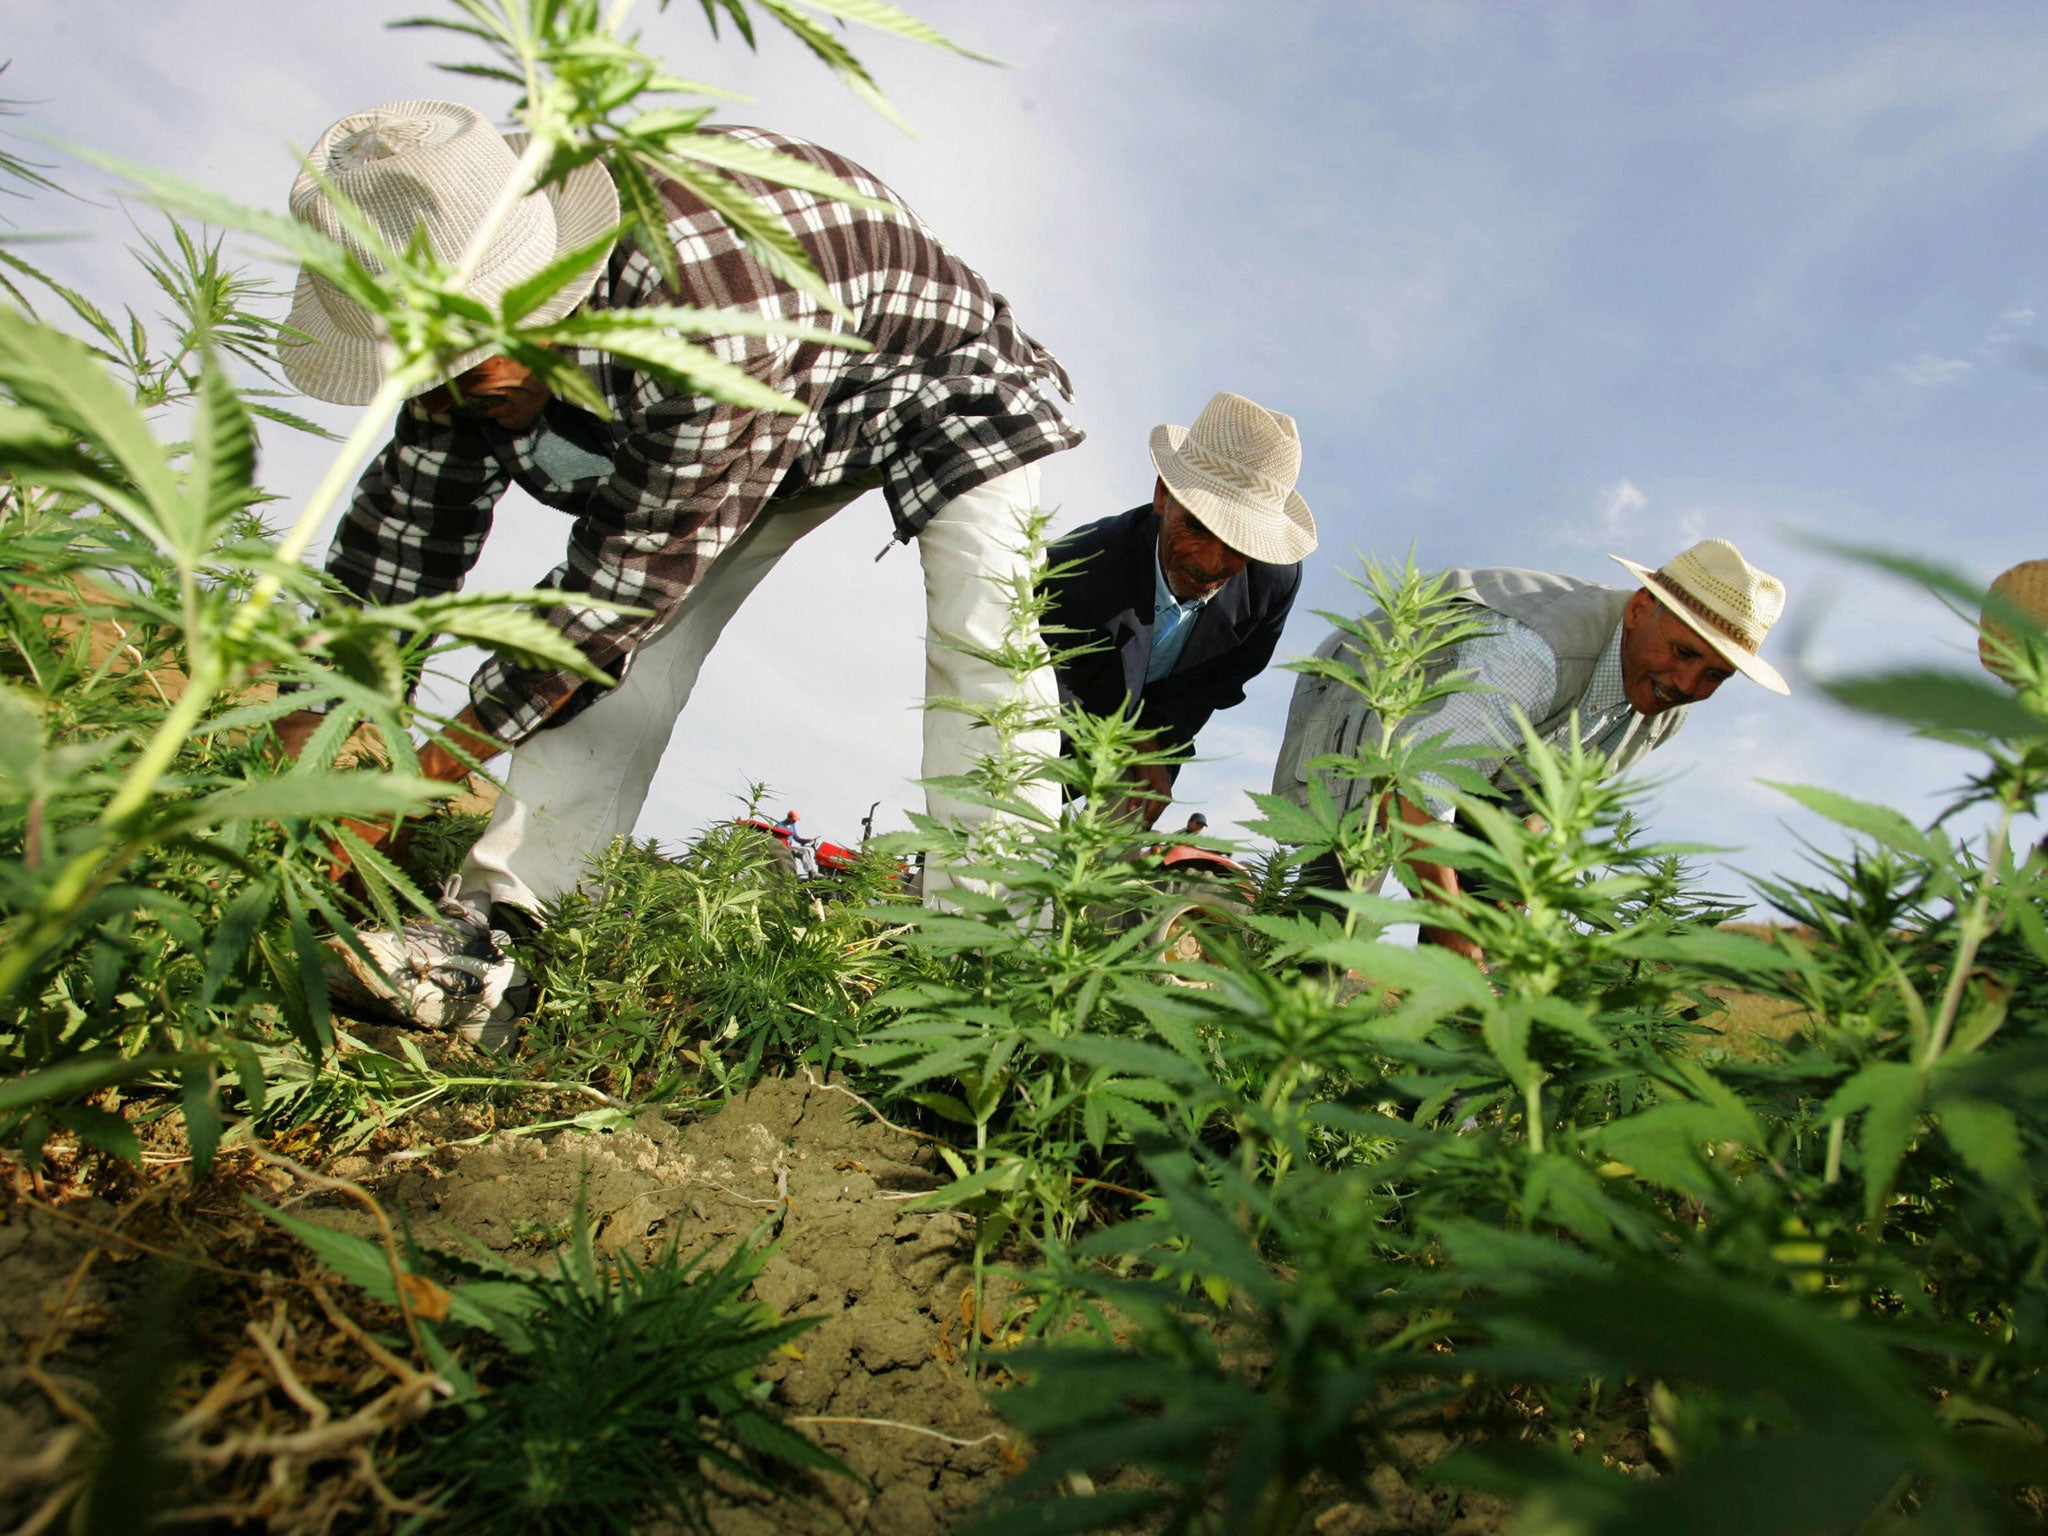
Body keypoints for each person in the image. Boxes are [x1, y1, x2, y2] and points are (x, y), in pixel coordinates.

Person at [271, 101, 1084, 1008]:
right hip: (772, 390)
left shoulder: (705, 310)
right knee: (645, 646)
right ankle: (504, 940)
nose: (455, 384)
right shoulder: (467, 308)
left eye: (469, 356)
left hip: (936, 373)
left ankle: (995, 977)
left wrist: (416, 780)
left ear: (544, 286)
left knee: (985, 634)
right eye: (431, 361)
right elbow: (398, 546)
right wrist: (323, 740)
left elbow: (614, 595)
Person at [1273, 538, 1789, 959]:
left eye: (1716, 675)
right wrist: (1458, 944)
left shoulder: (1662, 710)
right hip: (1385, 699)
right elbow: (1412, 794)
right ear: (1639, 609)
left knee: (1493, 925)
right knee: (1338, 900)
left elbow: (1541, 805)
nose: (1686, 682)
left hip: (1488, 759)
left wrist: (1500, 914)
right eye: (1682, 651)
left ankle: (1439, 1071)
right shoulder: (1533, 652)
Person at [1043, 392, 1317, 827]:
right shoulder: (1078, 564)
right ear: (1162, 495)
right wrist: (1124, 739)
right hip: (1055, 717)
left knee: (1113, 854)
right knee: (1003, 826)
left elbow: (1218, 684)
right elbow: (1044, 678)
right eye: (1196, 527)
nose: (1209, 565)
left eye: (1238, 546)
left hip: (1157, 733)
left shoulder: (1273, 583)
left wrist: (1152, 741)